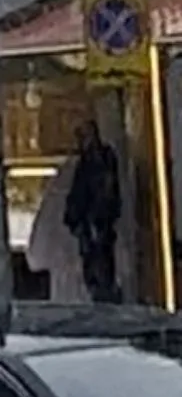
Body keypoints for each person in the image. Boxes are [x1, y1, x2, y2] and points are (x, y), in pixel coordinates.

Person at [67, 119, 122, 303]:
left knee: (99, 263)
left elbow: (100, 194)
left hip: (97, 224)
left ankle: (103, 292)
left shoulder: (99, 160)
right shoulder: (90, 161)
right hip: (93, 225)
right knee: (96, 263)